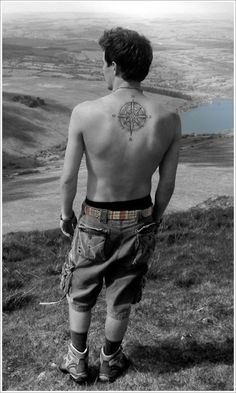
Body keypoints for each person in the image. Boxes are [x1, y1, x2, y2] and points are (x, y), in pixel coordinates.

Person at [59, 27, 181, 384]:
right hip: (140, 215)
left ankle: (77, 362)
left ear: (113, 65)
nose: (102, 70)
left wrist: (67, 214)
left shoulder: (85, 112)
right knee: (122, 294)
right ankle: (110, 361)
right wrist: (153, 219)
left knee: (81, 289)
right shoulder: (169, 118)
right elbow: (167, 182)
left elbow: (68, 178)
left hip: (95, 216)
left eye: (103, 64)